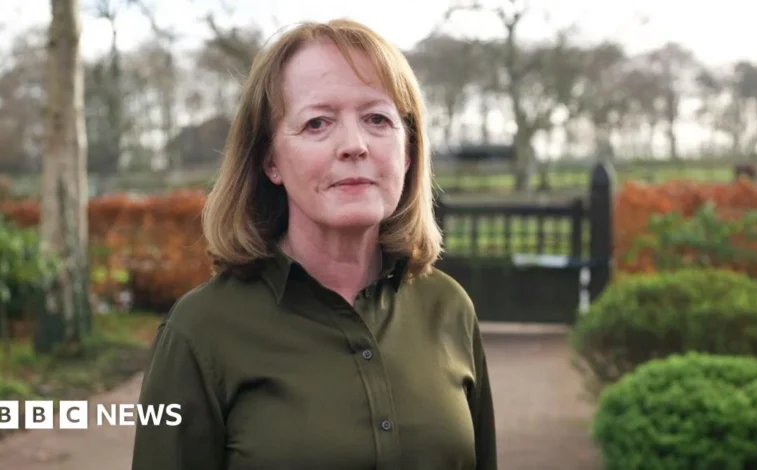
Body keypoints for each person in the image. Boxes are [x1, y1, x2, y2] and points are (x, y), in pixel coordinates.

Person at [131, 18, 497, 470]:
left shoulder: (449, 308)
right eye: (317, 123)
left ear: (407, 151)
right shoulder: (199, 333)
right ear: (270, 161)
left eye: (377, 119)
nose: (354, 145)